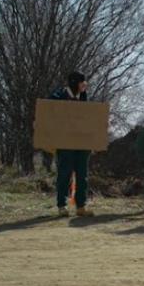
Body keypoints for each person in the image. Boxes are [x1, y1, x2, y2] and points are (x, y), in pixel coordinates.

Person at [49, 71, 94, 217]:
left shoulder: (83, 97)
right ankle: (62, 205)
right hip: (65, 142)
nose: (84, 85)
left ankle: (81, 205)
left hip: (81, 143)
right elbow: (50, 110)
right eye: (82, 82)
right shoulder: (59, 95)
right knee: (64, 174)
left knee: (82, 175)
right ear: (75, 83)